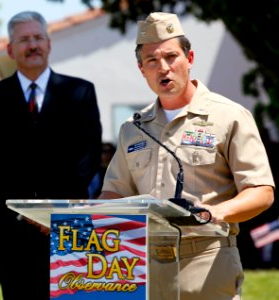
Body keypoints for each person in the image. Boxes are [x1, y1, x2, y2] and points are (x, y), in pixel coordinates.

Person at [98, 12, 275, 300]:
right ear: (141, 69)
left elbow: (261, 191)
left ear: (189, 59)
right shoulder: (133, 129)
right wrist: (79, 217)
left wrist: (216, 213)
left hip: (208, 261)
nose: (163, 68)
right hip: (143, 266)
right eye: (152, 61)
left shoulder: (228, 116)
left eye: (171, 57)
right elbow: (114, 193)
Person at [0, 10, 102, 300]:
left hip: (68, 224)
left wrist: (53, 212)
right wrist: (30, 212)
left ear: (49, 43)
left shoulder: (80, 92)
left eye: (38, 38)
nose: (32, 45)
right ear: (10, 49)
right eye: (23, 40)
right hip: (13, 228)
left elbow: (88, 158)